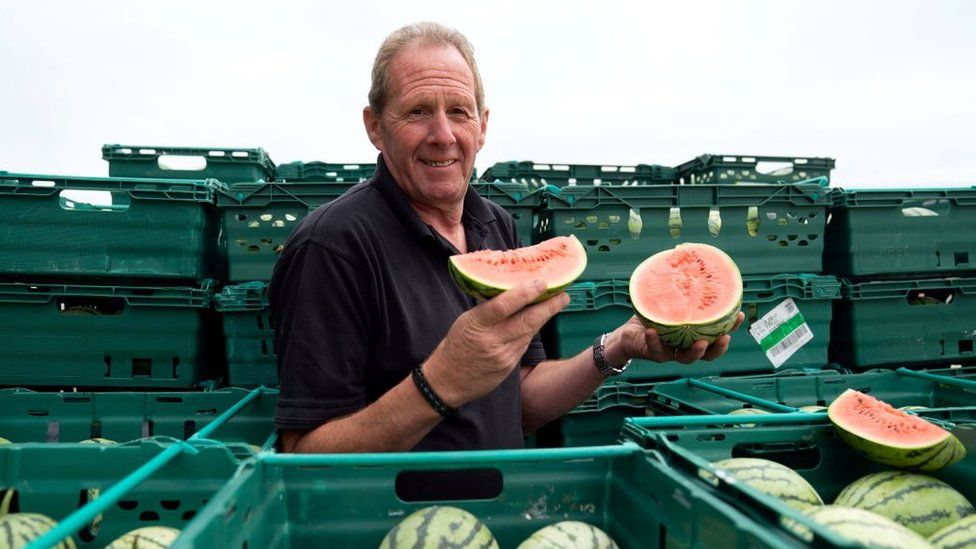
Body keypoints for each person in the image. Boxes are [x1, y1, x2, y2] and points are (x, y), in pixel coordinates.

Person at [270, 22, 743, 454]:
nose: (443, 134)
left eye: (459, 111)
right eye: (417, 112)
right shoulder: (331, 247)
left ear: (483, 125)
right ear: (374, 126)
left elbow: (519, 397)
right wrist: (440, 382)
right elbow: (303, 453)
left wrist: (618, 346)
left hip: (504, 512)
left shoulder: (497, 226)